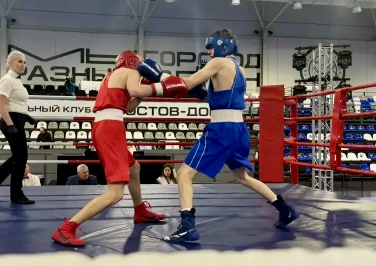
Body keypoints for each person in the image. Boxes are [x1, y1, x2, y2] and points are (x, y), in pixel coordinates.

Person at [138, 29, 299, 243]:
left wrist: (160, 77)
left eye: (211, 47)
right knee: (242, 177)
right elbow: (218, 97)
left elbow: (186, 83)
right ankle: (284, 208)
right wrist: (200, 93)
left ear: (222, 45)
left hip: (221, 129)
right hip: (239, 129)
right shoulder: (239, 69)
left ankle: (187, 226)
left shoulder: (218, 63)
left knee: (184, 174)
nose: (209, 52)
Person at [51, 51, 189, 246]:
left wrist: (145, 90)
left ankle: (140, 211)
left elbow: (129, 106)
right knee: (115, 193)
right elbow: (136, 90)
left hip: (106, 125)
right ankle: (66, 228)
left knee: (134, 167)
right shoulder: (130, 72)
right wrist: (161, 87)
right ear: (134, 63)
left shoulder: (112, 75)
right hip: (110, 127)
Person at [0, 51, 36, 205]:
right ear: (11, 63)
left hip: (17, 120)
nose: (23, 65)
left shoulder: (17, 81)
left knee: (18, 157)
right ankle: (15, 194)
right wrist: (11, 124)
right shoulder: (7, 80)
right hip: (11, 121)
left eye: (24, 62)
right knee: (21, 158)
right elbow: (1, 105)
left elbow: (15, 104)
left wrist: (26, 117)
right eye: (20, 61)